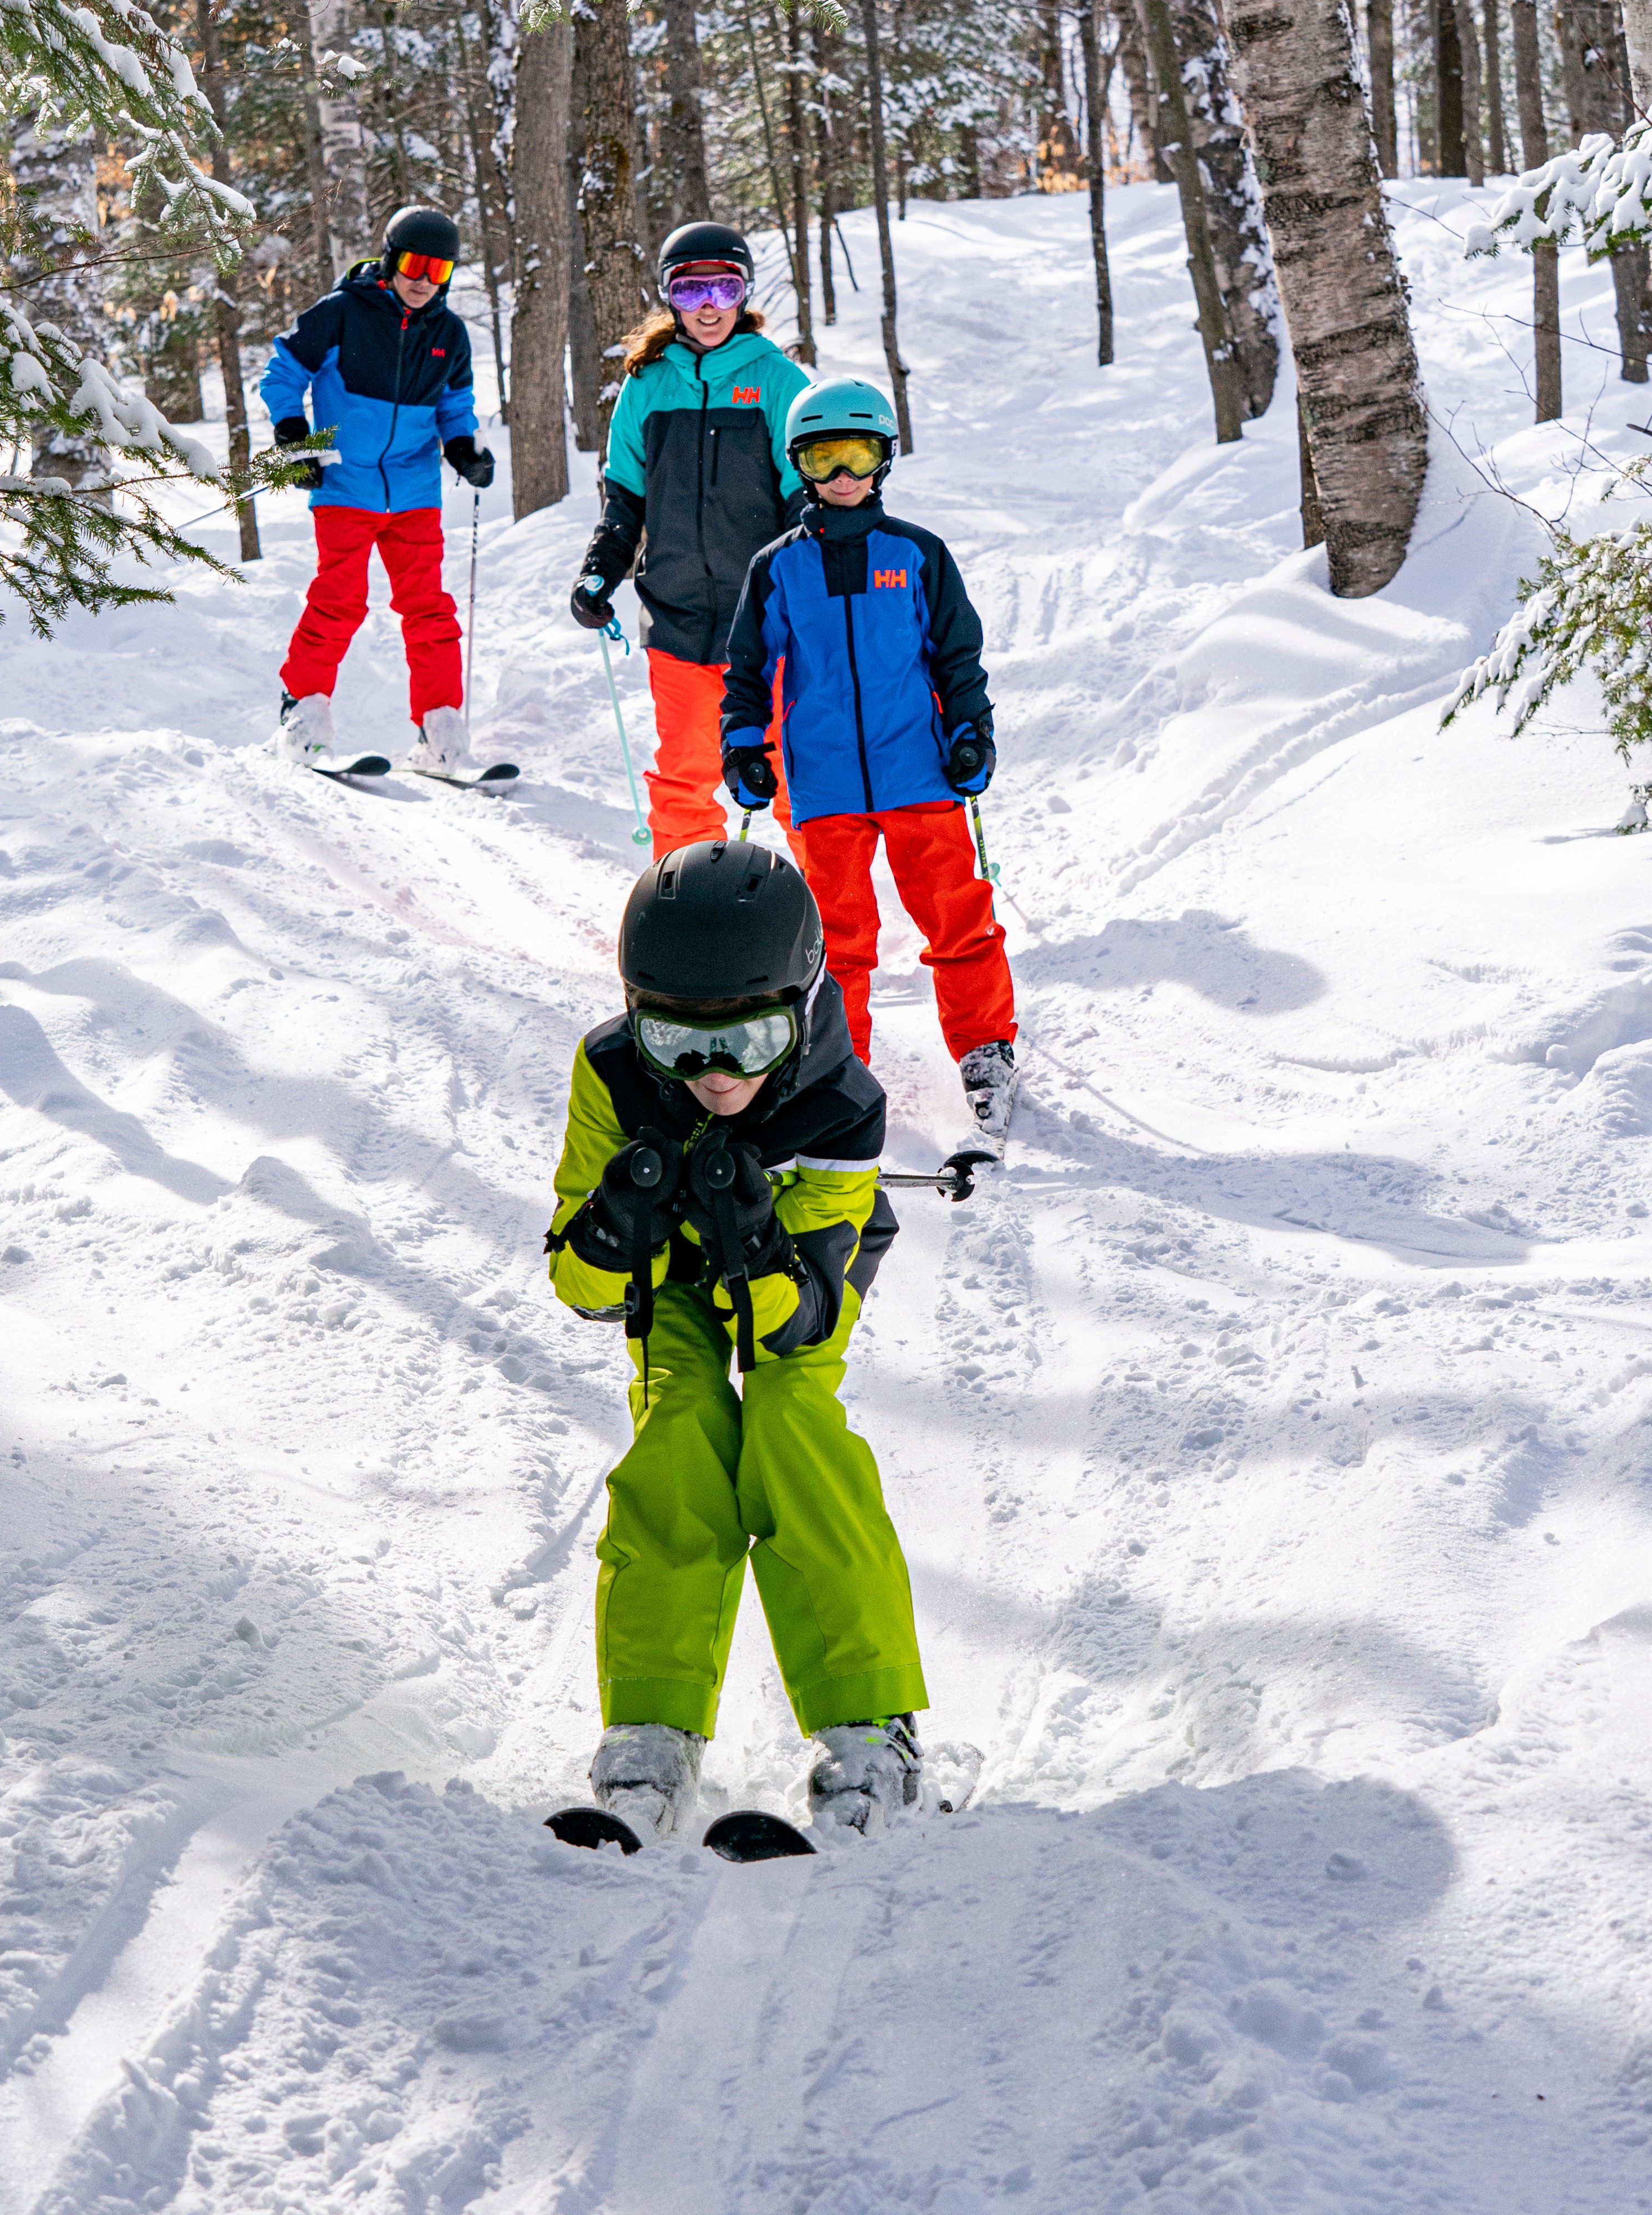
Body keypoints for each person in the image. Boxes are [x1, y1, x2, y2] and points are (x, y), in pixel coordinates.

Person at [542, 838, 931, 1842]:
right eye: (677, 1043)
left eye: (749, 1042)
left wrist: (754, 1238)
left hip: (797, 1277)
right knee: (678, 1423)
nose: (714, 1075)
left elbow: (802, 1320)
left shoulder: (841, 1107)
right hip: (670, 1272)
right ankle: (652, 1726)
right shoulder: (612, 1073)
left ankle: (872, 1726)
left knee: (791, 1426)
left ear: (798, 1010)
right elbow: (581, 1290)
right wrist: (612, 1229)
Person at [719, 377, 1020, 1161]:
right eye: (825, 458)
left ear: (884, 459)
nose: (843, 474)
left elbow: (957, 657)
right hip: (823, 786)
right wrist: (745, 746)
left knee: (957, 915)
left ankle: (985, 1048)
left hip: (918, 771)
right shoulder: (778, 567)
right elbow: (748, 669)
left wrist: (971, 733)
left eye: (857, 454)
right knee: (837, 936)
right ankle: (836, 1064)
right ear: (801, 466)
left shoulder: (917, 554)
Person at [568, 222, 810, 855]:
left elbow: (804, 503)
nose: (708, 306)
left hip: (766, 625)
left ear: (744, 293)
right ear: (669, 296)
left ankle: (827, 905)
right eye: (690, 289)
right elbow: (626, 499)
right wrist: (600, 570)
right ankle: (684, 900)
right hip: (677, 619)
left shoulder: (778, 380)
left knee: (792, 773)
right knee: (684, 775)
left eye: (724, 289)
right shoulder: (646, 385)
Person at [259, 205, 496, 774]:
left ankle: (440, 728)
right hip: (346, 483)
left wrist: (463, 448)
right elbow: (283, 370)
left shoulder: (449, 334)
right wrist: (293, 436)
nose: (424, 280)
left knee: (430, 610)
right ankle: (304, 715)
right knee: (339, 601)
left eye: (439, 270)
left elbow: (454, 405)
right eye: (415, 265)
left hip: (414, 491)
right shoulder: (342, 313)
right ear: (391, 261)